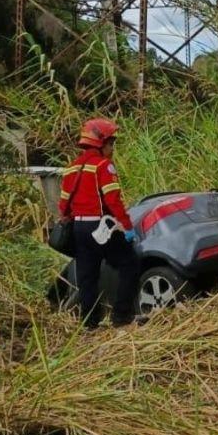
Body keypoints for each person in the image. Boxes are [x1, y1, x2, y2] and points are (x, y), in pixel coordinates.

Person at [58, 118, 140, 328]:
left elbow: (63, 206)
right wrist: (128, 227)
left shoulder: (70, 169)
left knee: (87, 276)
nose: (112, 149)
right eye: (111, 143)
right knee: (129, 263)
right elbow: (113, 200)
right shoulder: (103, 166)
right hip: (100, 227)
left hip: (79, 229)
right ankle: (121, 317)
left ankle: (89, 323)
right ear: (100, 143)